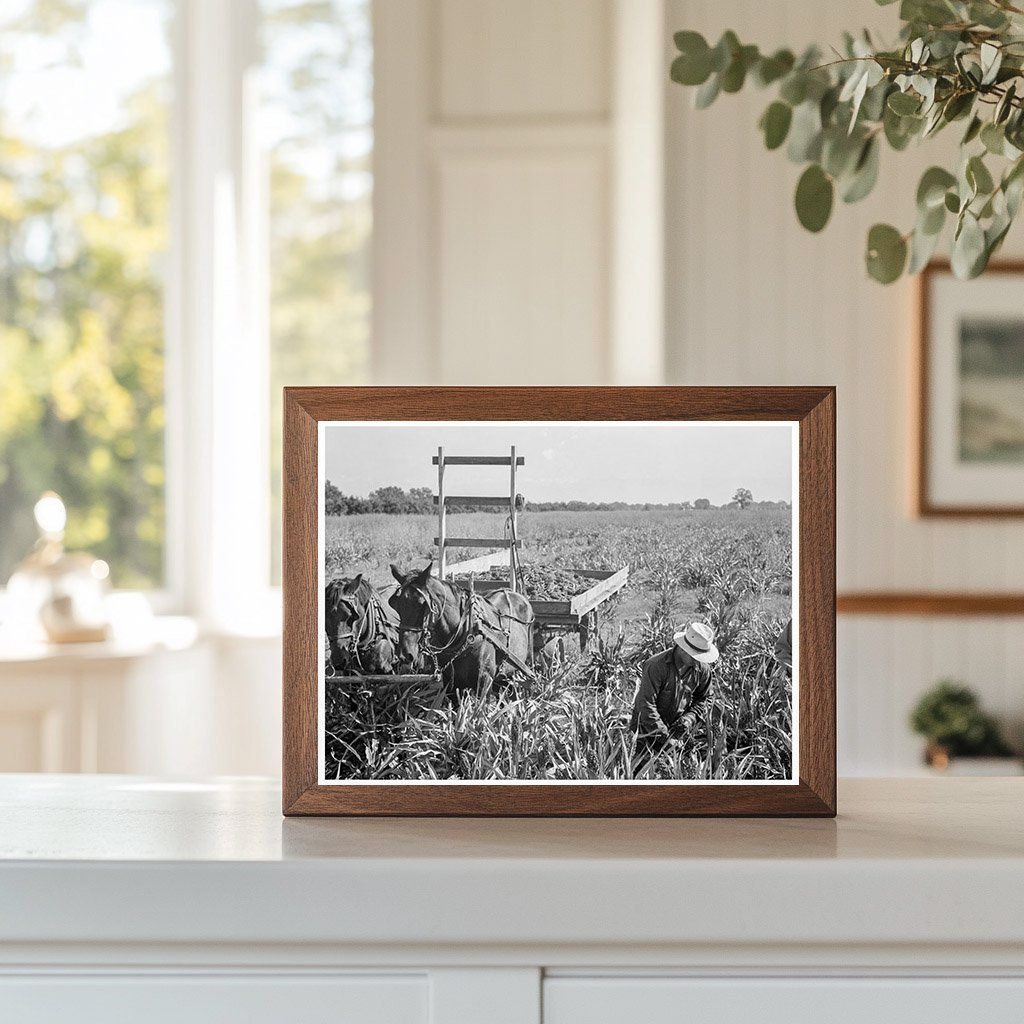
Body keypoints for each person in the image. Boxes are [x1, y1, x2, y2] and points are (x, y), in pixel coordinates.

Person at [630, 621, 718, 769]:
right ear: (683, 649)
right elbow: (645, 704)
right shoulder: (656, 666)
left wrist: (688, 719)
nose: (698, 661)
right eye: (696, 656)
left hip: (677, 732)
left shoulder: (702, 669)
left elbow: (705, 698)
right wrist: (664, 736)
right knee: (640, 775)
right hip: (646, 731)